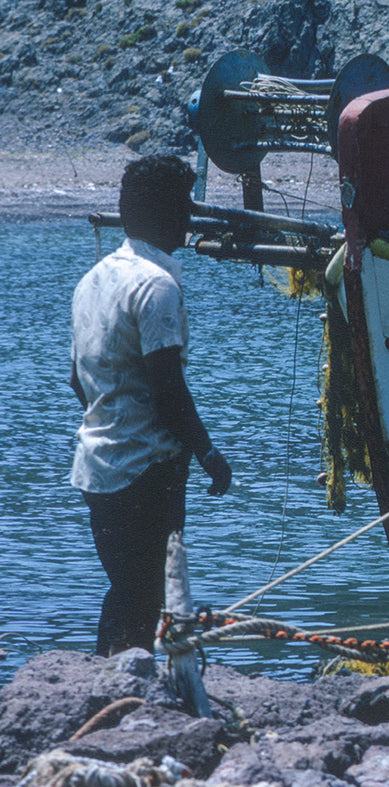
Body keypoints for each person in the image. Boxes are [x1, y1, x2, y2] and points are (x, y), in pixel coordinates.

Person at [70, 155, 232, 657]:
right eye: (184, 207)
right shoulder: (157, 286)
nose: (189, 219)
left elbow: (76, 378)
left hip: (97, 465)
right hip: (146, 468)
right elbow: (168, 389)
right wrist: (207, 453)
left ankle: (111, 685)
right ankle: (126, 696)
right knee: (147, 594)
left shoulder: (94, 279)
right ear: (168, 214)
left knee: (126, 589)